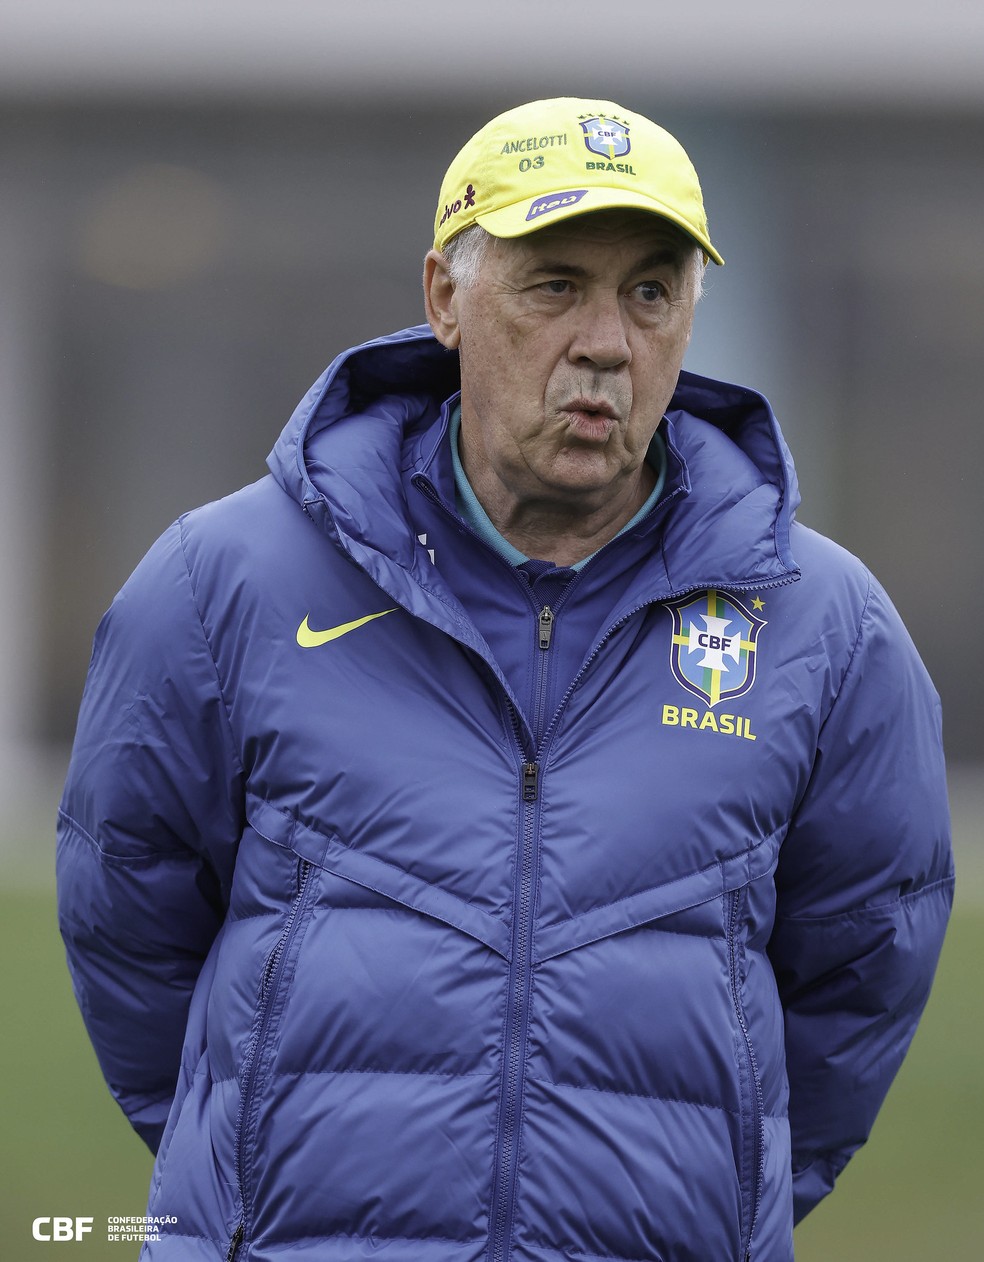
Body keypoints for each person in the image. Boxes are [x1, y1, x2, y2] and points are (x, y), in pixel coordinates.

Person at [57, 97, 953, 1262]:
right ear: (445, 298)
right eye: (554, 285)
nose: (608, 343)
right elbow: (129, 922)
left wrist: (715, 1198)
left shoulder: (825, 626)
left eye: (651, 291)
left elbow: (862, 971)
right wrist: (254, 1180)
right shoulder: (221, 582)